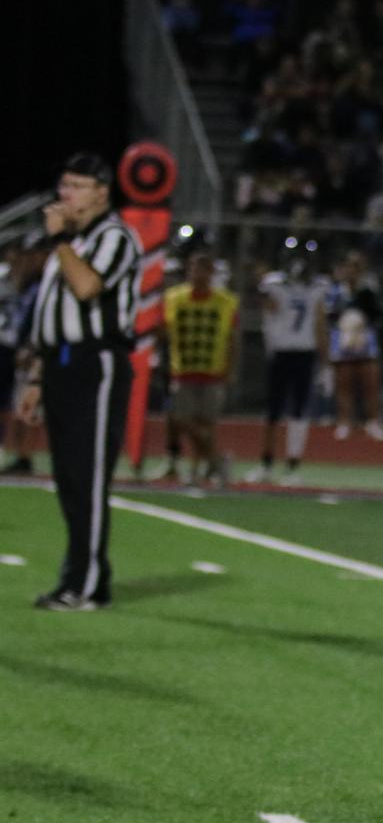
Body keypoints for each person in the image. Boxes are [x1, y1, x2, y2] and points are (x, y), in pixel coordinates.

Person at [14, 153, 142, 610]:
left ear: (102, 191)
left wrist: (62, 240)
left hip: (96, 365)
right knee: (68, 479)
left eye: (77, 186)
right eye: (63, 184)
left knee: (86, 477)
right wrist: (36, 376)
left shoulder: (113, 237)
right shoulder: (72, 242)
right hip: (62, 365)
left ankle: (85, 587)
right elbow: (54, 318)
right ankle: (83, 577)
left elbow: (87, 288)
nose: (65, 194)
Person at [250, 246, 329, 486]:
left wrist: (326, 361)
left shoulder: (308, 287)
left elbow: (319, 323)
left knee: (294, 410)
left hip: (298, 351)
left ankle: (288, 465)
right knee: (277, 411)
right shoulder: (279, 284)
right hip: (288, 351)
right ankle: (270, 464)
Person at [160, 247, 238, 486]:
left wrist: (230, 367)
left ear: (211, 272)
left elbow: (232, 338)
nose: (196, 273)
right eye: (193, 268)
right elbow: (163, 329)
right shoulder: (174, 298)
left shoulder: (225, 301)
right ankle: (216, 461)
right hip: (182, 368)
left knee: (206, 422)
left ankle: (199, 469)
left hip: (212, 369)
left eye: (202, 268)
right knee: (182, 419)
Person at [2, 234, 51, 475]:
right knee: (18, 403)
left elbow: (41, 322)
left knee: (29, 405)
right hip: (18, 349)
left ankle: (25, 455)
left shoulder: (46, 285)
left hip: (33, 353)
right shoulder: (29, 284)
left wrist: (32, 350)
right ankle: (20, 454)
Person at [326, 250, 383, 442]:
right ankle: (344, 422)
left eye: (357, 267)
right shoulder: (336, 292)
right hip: (343, 343)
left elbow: (378, 316)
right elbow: (330, 316)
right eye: (350, 266)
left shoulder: (369, 291)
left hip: (365, 343)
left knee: (370, 383)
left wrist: (360, 322)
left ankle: (373, 421)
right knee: (344, 383)